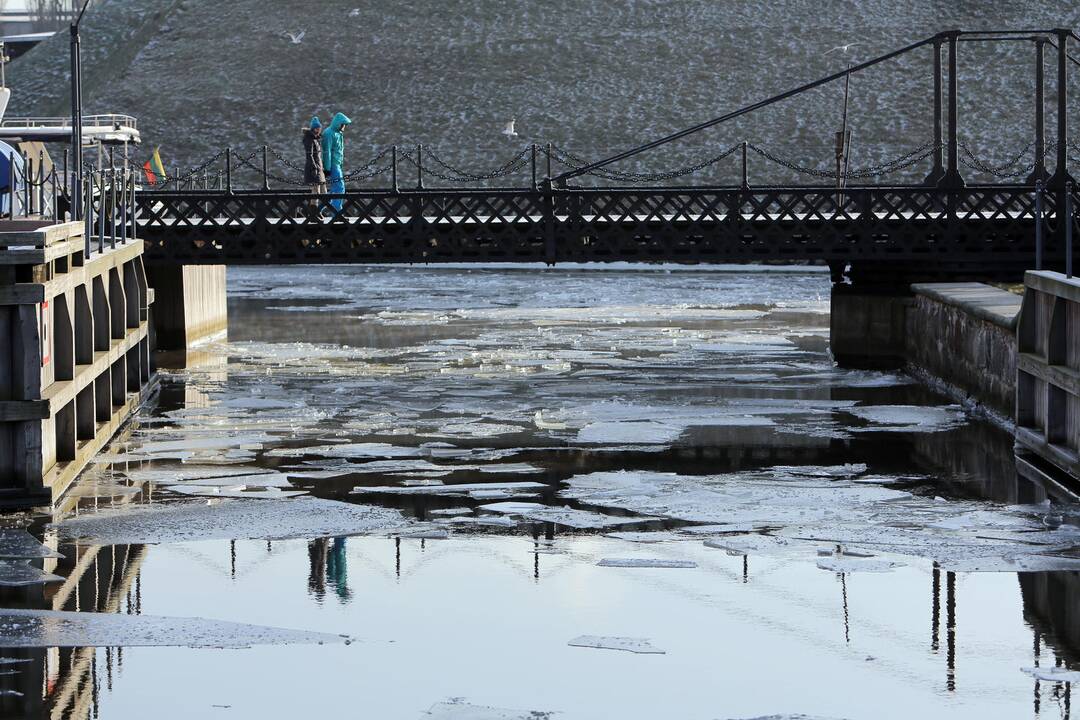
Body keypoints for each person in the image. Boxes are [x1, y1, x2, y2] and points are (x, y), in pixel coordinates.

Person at [321, 112, 352, 212]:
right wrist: (327, 168)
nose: (345, 127)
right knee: (339, 187)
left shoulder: (338, 133)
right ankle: (336, 212)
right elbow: (327, 152)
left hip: (337, 164)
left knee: (334, 189)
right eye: (344, 124)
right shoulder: (329, 133)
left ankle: (317, 210)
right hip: (333, 165)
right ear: (340, 124)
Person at [303, 116, 326, 211]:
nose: (319, 130)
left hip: (318, 168)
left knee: (322, 192)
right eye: (317, 128)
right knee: (316, 191)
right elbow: (310, 155)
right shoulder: (310, 139)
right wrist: (314, 167)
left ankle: (316, 211)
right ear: (313, 129)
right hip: (314, 168)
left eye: (319, 128)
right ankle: (313, 213)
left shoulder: (315, 139)